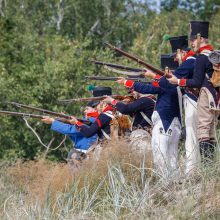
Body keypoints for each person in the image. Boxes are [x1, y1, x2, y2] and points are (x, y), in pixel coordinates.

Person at [116, 55, 181, 177]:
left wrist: (126, 81)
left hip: (165, 123)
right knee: (171, 158)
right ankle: (174, 182)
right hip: (172, 124)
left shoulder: (169, 83)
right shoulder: (175, 85)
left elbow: (146, 88)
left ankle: (165, 184)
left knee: (160, 157)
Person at [168, 21, 217, 163]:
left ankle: (207, 166)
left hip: (205, 96)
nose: (192, 43)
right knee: (210, 131)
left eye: (193, 39)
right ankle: (210, 165)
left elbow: (196, 81)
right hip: (213, 97)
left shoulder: (202, 57)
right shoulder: (211, 54)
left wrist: (178, 81)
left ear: (200, 38)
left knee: (203, 132)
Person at [160, 35, 200, 175]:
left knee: (191, 137)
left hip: (194, 102)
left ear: (181, 52)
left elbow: (172, 78)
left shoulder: (189, 61)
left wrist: (155, 77)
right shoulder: (191, 61)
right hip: (193, 101)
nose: (175, 59)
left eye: (176, 56)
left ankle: (191, 170)